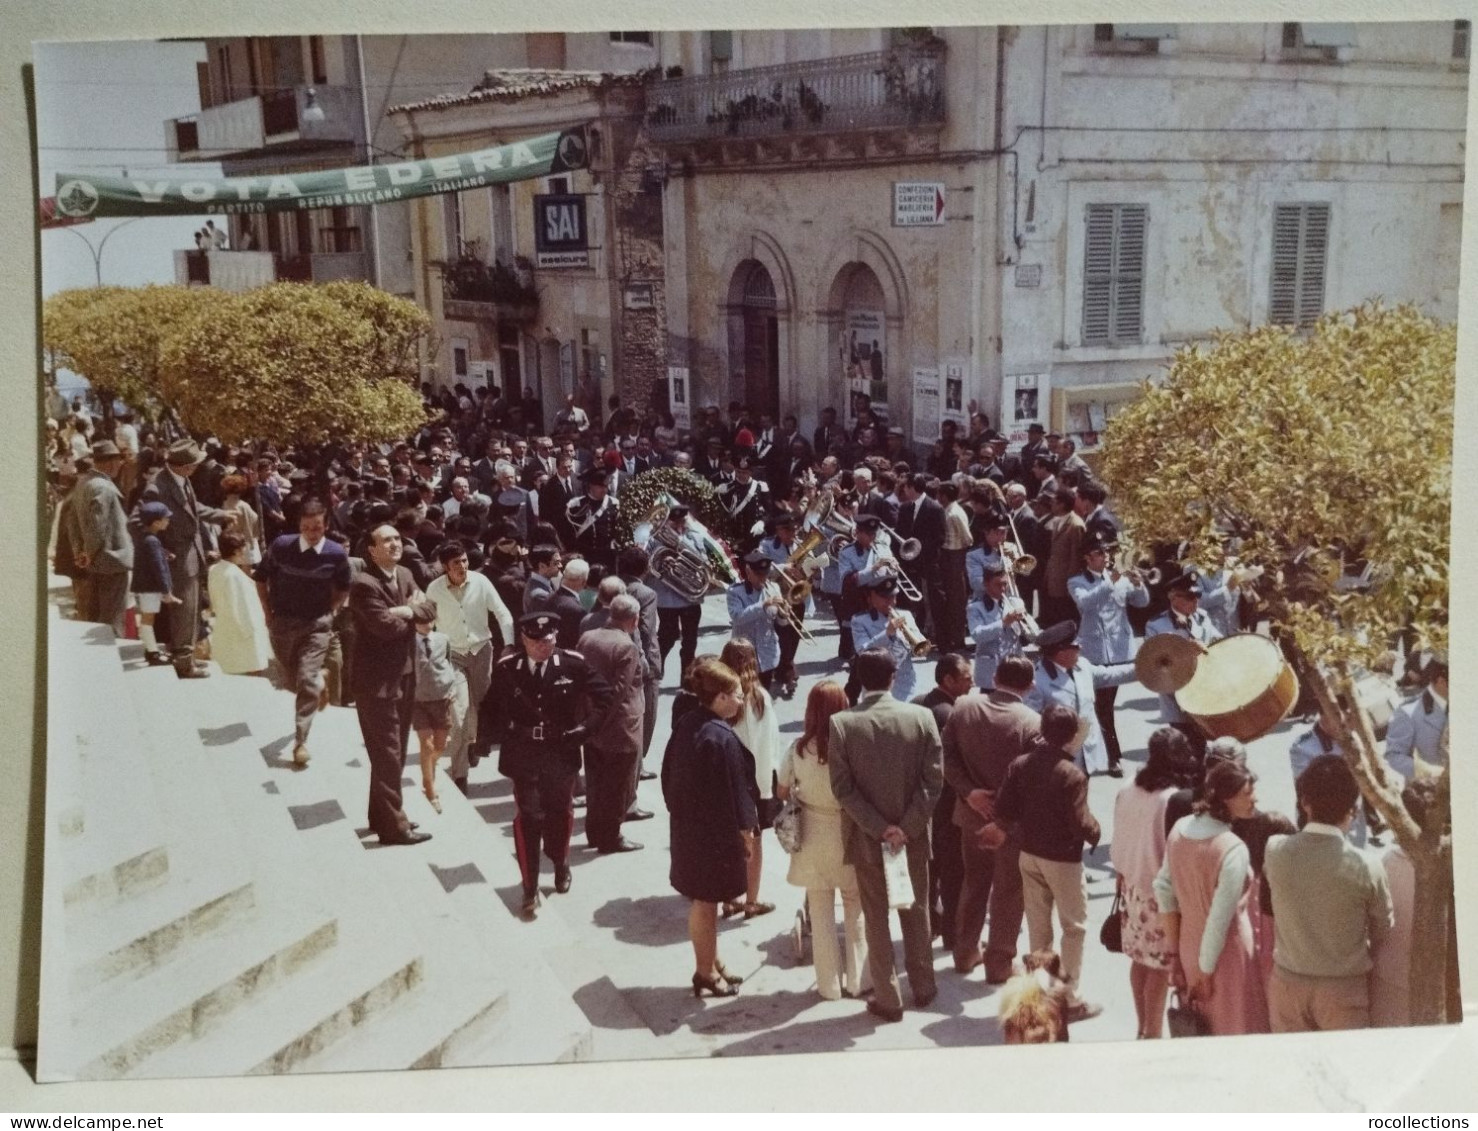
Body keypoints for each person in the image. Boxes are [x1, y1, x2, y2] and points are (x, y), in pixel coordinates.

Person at [828, 648, 943, 1023]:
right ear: (894, 676)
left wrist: (880, 829)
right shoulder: (921, 717)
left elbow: (843, 789)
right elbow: (933, 782)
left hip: (867, 839)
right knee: (917, 910)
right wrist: (905, 828)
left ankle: (889, 998)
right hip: (912, 838)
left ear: (859, 679)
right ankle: (924, 987)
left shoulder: (843, 723)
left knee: (875, 918)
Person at [490, 611, 614, 917]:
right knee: (528, 817)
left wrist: (586, 729)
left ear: (555, 637)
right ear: (523, 639)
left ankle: (560, 863)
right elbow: (491, 706)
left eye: (548, 640)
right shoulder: (508, 669)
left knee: (559, 814)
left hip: (561, 751)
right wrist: (493, 737)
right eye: (536, 641)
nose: (543, 646)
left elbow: (605, 698)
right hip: (524, 753)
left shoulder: (572, 663)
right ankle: (529, 886)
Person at [1264, 754, 1394, 1033]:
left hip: (1287, 986)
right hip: (1343, 992)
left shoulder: (1275, 851)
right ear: (1353, 810)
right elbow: (1383, 927)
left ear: (1304, 802)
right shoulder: (1367, 866)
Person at [990, 703, 1102, 1020]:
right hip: (1062, 859)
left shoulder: (1021, 764)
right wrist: (1096, 832)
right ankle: (1069, 998)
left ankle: (1041, 992)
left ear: (1043, 730)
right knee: (1074, 927)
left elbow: (1004, 810)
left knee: (1039, 931)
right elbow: (1081, 823)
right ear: (1071, 737)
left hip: (1029, 855)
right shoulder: (1072, 774)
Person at [661, 657, 758, 997]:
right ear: (719, 698)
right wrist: (745, 834)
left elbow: (667, 778)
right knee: (705, 904)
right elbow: (735, 794)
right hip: (714, 839)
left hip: (689, 832)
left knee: (707, 903)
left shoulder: (688, 723)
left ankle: (713, 960)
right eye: (735, 694)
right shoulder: (721, 738)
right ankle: (704, 973)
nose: (741, 700)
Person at [942, 655, 1041, 983]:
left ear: (996, 676)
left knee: (974, 882)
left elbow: (946, 758)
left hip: (971, 815)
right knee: (1009, 891)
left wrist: (970, 793)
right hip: (1009, 826)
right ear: (1030, 685)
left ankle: (965, 951)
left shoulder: (963, 707)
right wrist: (1003, 816)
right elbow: (1030, 782)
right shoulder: (1031, 721)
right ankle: (999, 962)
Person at [1156, 760, 1270, 1037]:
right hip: (1227, 955)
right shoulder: (1233, 849)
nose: (1255, 798)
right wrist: (1205, 973)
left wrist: (1174, 955)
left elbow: (1163, 889)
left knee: (1201, 1031)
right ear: (1226, 797)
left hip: (1187, 947)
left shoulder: (1179, 829)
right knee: (1238, 1028)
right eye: (1247, 793)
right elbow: (1220, 919)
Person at [778, 680, 873, 1001]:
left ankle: (829, 985)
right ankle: (858, 980)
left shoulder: (797, 748)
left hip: (812, 834)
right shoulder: (854, 748)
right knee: (854, 907)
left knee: (820, 912)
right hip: (848, 833)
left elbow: (780, 789)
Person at [348, 523, 437, 847]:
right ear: (370, 549)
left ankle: (381, 815)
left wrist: (406, 610)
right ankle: (394, 828)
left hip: (405, 674)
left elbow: (430, 610)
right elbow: (384, 627)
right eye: (386, 540)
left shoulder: (405, 574)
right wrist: (415, 617)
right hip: (376, 682)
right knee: (387, 753)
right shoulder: (363, 584)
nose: (395, 544)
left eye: (398, 538)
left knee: (394, 754)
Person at [1111, 727, 1195, 1038]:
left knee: (1139, 961)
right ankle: (1153, 1031)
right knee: (1160, 966)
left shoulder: (1128, 787)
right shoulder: (1172, 798)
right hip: (1160, 894)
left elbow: (1118, 837)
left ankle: (1142, 1026)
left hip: (1131, 887)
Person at [255, 500, 353, 767]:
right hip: (283, 625)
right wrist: (267, 614)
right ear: (299, 525)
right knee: (290, 683)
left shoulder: (335, 554)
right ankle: (318, 683)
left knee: (305, 680)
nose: (312, 532)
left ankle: (300, 742)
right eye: (307, 527)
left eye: (318, 527)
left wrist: (330, 613)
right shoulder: (282, 546)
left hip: (316, 625)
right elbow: (261, 579)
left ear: (326, 526)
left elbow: (343, 588)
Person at [142, 440, 236, 679]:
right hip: (177, 559)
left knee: (192, 610)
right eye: (194, 464)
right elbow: (142, 523)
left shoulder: (182, 480)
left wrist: (220, 515)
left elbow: (195, 509)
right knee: (183, 612)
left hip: (192, 554)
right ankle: (184, 663)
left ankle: (187, 657)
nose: (197, 467)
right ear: (184, 466)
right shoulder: (157, 488)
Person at [426, 539, 513, 793]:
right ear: (445, 567)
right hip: (453, 655)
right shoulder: (434, 590)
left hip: (482, 651)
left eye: (464, 560)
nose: (462, 566)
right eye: (456, 563)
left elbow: (502, 612)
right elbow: (428, 624)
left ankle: (472, 742)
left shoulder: (481, 582)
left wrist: (508, 645)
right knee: (460, 711)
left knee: (479, 701)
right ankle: (460, 774)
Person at [1068, 536, 1149, 777]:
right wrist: (1109, 582)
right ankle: (1112, 756)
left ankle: (1105, 754)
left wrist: (1139, 583)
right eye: (1100, 554)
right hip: (1094, 650)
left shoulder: (1120, 578)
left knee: (1105, 706)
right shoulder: (1076, 581)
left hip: (1119, 648)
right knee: (1102, 706)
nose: (1106, 558)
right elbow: (1086, 604)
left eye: (1106, 554)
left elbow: (1142, 603)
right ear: (1087, 558)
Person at [913, 653, 974, 955]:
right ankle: (953, 934)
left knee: (929, 872)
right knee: (953, 874)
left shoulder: (918, 702)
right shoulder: (951, 715)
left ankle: (928, 928)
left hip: (920, 805)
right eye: (965, 676)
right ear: (948, 680)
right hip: (947, 805)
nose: (972, 681)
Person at [577, 594, 646, 854]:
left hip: (592, 725)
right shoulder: (626, 646)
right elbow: (618, 692)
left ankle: (594, 833)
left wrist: (590, 721)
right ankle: (611, 837)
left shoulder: (588, 637)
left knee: (596, 783)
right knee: (619, 786)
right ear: (635, 619)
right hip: (620, 728)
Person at [1025, 620, 1138, 777]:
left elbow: (1111, 674)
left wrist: (1145, 667)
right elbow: (1031, 723)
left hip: (1086, 751)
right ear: (1061, 653)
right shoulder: (1038, 681)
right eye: (1076, 647)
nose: (1081, 648)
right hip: (1059, 759)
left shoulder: (1082, 666)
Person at [718, 638, 779, 919]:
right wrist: (768, 791)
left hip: (725, 781)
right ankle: (751, 902)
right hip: (754, 784)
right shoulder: (759, 699)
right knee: (753, 844)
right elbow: (767, 747)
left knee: (729, 843)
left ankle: (730, 899)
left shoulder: (720, 697)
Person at [1143, 570, 1223, 752]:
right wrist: (1187, 651)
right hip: (1177, 697)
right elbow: (1155, 665)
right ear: (1174, 598)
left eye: (1197, 596)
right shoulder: (1156, 625)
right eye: (1189, 597)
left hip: (1204, 692)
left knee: (1204, 748)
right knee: (1184, 750)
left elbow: (1217, 641)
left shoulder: (1202, 617)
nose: (1196, 602)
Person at [74, 440, 133, 637]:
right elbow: (97, 528)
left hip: (96, 561)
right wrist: (88, 553)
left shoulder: (83, 483)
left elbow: (71, 522)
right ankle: (108, 663)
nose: (120, 465)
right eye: (118, 461)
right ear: (109, 463)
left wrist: (81, 553)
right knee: (112, 621)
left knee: (95, 616)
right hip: (111, 561)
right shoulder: (104, 488)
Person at [645, 504, 707, 680]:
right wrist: (664, 562)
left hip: (690, 597)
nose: (679, 525)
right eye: (674, 522)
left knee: (690, 641)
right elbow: (648, 565)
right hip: (667, 597)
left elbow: (702, 561)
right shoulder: (654, 540)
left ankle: (687, 678)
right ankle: (657, 669)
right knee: (667, 636)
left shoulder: (694, 536)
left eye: (682, 521)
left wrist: (681, 546)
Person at [206, 531, 271, 676]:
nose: (246, 552)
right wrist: (251, 634)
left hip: (226, 630)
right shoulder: (233, 575)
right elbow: (239, 608)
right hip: (243, 634)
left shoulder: (215, 569)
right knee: (252, 674)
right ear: (236, 551)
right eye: (244, 548)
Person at [850, 576, 924, 702]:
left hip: (905, 682)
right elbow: (862, 652)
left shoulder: (906, 615)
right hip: (876, 685)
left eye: (893, 597)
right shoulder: (860, 621)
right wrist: (887, 634)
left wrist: (915, 641)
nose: (890, 602)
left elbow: (918, 644)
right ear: (871, 598)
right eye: (885, 597)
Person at [411, 616, 457, 814]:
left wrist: (452, 687)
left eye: (429, 619)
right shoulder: (408, 641)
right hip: (418, 700)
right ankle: (430, 790)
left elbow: (448, 663)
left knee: (440, 746)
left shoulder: (442, 639)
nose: (426, 624)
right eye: (421, 620)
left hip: (441, 698)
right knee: (427, 744)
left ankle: (429, 770)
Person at [130, 501, 181, 666]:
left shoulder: (146, 537)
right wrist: (167, 591)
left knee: (148, 617)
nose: (168, 521)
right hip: (149, 587)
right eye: (166, 519)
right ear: (157, 522)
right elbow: (158, 568)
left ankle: (151, 649)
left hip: (147, 586)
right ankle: (153, 653)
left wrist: (164, 553)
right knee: (147, 618)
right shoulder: (152, 541)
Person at [1384, 657, 1448, 784]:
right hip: (1439, 788)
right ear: (1441, 682)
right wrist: (1428, 771)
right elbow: (1394, 756)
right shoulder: (1408, 712)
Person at [726, 551, 783, 687]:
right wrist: (762, 605)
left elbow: (781, 622)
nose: (762, 578)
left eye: (765, 574)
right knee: (744, 698)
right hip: (744, 655)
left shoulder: (774, 588)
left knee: (763, 697)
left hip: (767, 653)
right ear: (748, 571)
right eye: (758, 574)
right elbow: (737, 617)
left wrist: (784, 613)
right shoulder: (735, 592)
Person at [967, 566, 1027, 690]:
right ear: (986, 584)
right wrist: (1003, 622)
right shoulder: (975, 607)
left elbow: (1028, 634)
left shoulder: (1016, 603)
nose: (1003, 589)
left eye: (1005, 584)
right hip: (991, 670)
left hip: (1014, 666)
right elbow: (977, 635)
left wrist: (1026, 625)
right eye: (998, 585)